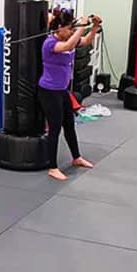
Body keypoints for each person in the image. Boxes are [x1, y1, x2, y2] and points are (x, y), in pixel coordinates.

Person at [38, 11, 101, 181]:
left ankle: (76, 157)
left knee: (70, 125)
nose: (72, 32)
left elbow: (86, 41)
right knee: (55, 128)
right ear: (59, 28)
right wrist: (81, 26)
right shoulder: (49, 43)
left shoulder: (69, 39)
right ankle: (52, 167)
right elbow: (67, 47)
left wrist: (94, 26)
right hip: (48, 92)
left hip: (62, 91)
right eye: (69, 29)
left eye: (73, 29)